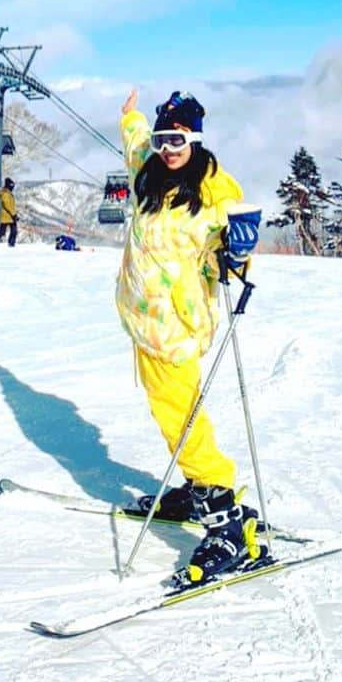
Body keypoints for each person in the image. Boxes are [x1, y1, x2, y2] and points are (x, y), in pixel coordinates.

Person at [116, 87, 258, 582]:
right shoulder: (148, 171)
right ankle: (198, 485)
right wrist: (131, 116)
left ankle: (220, 506)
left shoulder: (215, 190)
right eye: (162, 138)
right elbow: (134, 141)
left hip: (177, 322)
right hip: (141, 316)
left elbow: (231, 251)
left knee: (179, 412)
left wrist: (240, 252)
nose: (168, 148)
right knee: (171, 408)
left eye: (176, 138)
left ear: (194, 137)